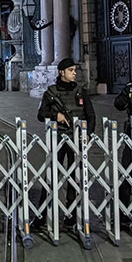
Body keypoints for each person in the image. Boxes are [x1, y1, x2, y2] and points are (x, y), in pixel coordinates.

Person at [37, 57, 95, 227]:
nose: (74, 73)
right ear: (62, 72)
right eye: (71, 71)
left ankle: (72, 214)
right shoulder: (51, 92)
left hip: (77, 138)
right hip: (59, 138)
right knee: (52, 175)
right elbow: (41, 114)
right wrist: (56, 116)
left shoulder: (81, 92)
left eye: (75, 70)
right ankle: (43, 213)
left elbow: (91, 115)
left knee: (75, 176)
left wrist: (88, 133)